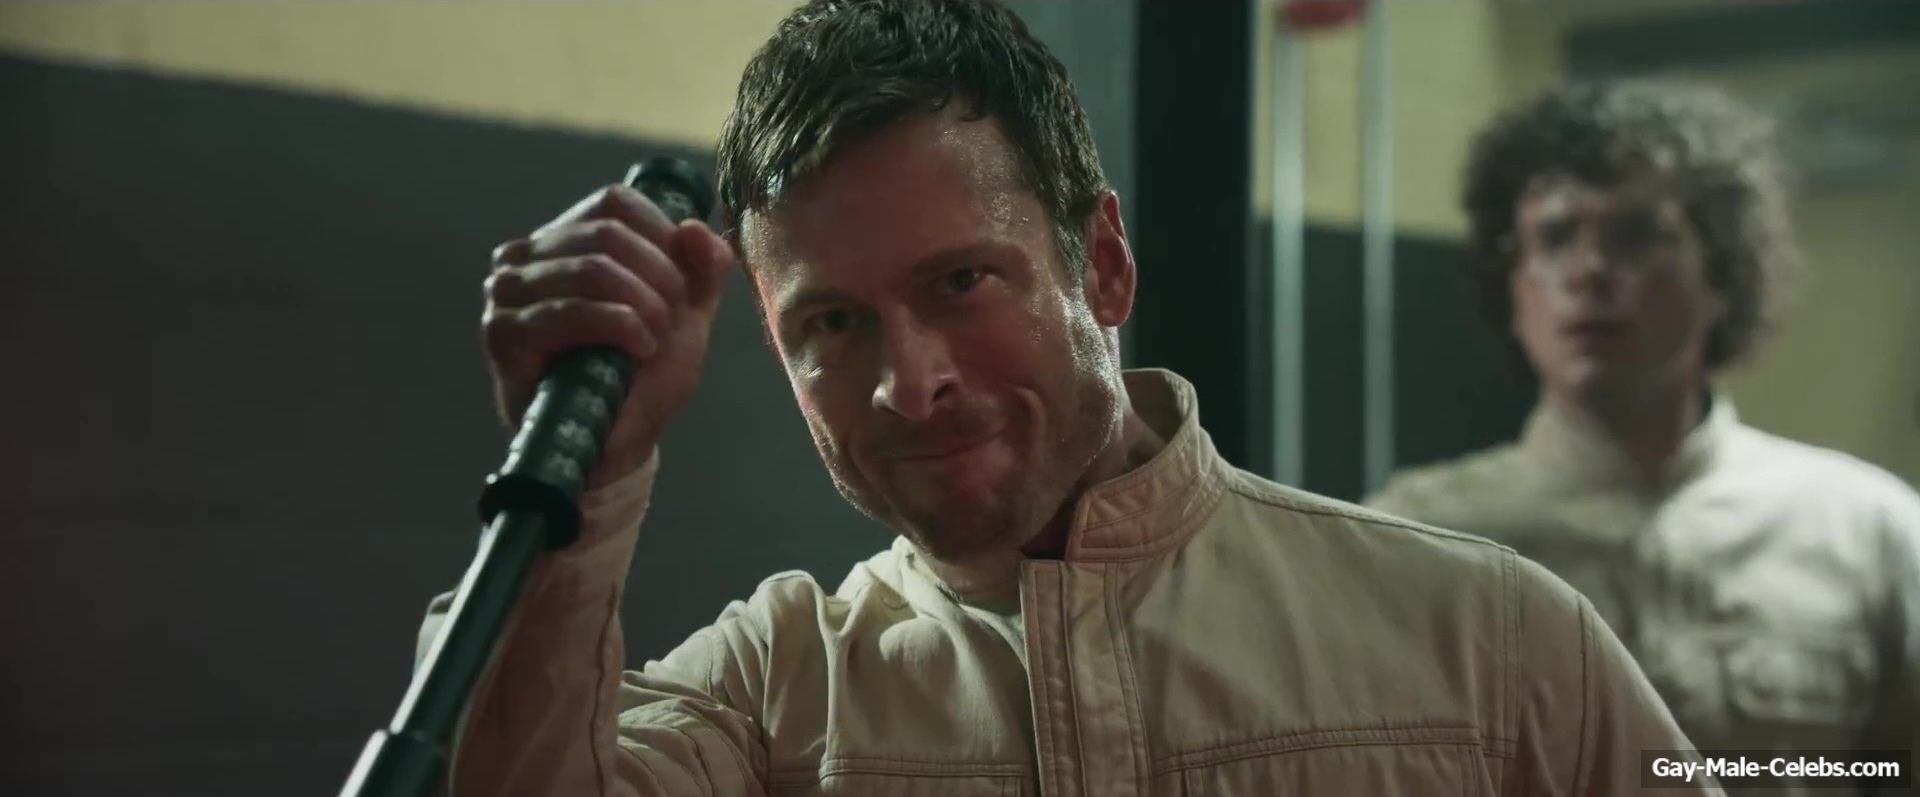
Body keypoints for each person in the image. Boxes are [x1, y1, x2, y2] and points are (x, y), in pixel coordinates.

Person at [427, 2, 1709, 794]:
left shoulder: (1489, 640)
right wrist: (592, 470)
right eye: (834, 322)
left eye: (962, 281)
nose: (910, 380)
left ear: (1100, 263)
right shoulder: (765, 697)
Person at [1366, 80, 1919, 795]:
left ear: (1721, 274)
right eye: (1554, 237)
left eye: (1634, 236)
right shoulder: (1418, 537)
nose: (1589, 270)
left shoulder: (1868, 530)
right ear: (1514, 286)